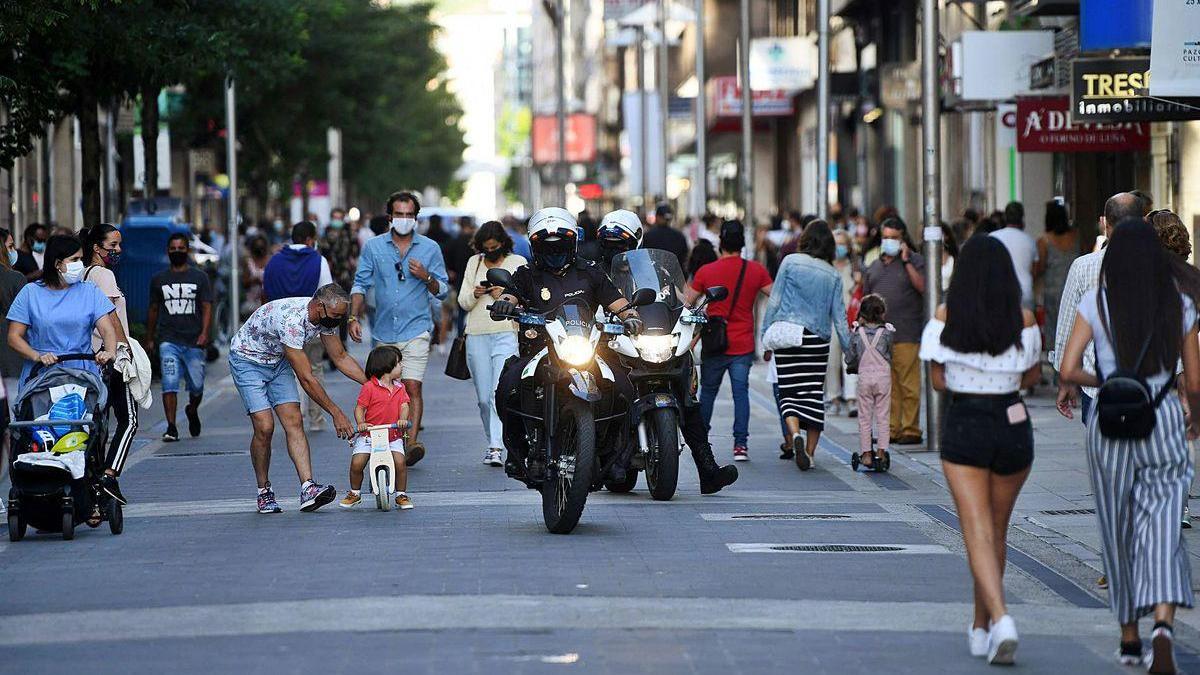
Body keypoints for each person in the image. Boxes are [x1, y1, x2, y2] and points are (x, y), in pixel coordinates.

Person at [1060, 219, 1200, 673]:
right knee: (1163, 529)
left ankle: (1128, 636)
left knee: (1117, 530)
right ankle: (1163, 626)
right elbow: (1194, 381)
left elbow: (1067, 369)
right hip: (1162, 421)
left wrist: (1105, 380)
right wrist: (1194, 418)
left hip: (1111, 423)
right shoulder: (1178, 303)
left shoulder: (1096, 302)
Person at [920, 235, 1042, 665]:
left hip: (967, 423)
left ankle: (1003, 617)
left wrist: (970, 376)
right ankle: (981, 624)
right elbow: (1030, 378)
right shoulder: (1024, 319)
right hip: (1013, 425)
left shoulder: (945, 315)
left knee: (976, 530)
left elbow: (937, 380)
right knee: (995, 531)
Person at [595, 209, 740, 493]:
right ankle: (603, 458)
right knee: (607, 393)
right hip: (613, 343)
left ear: (634, 241)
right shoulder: (594, 272)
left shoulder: (655, 268)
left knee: (688, 400)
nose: (615, 248)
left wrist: (691, 315)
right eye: (610, 243)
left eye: (621, 243)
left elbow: (679, 298)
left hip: (652, 340)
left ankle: (708, 470)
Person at [230, 284, 366, 513]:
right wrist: (336, 412)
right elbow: (306, 378)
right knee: (265, 426)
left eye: (341, 316)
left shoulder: (326, 318)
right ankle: (264, 491)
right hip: (248, 360)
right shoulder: (291, 321)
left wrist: (374, 384)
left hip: (276, 360)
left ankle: (308, 488)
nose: (338, 320)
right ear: (320, 306)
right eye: (336, 315)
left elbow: (340, 357)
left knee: (294, 421)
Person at [6, 235, 119, 510]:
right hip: (41, 376)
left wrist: (109, 351)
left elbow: (107, 328)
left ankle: (88, 495)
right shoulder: (31, 293)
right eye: (75, 260)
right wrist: (36, 355)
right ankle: (35, 491)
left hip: (81, 375)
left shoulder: (88, 291)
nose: (80, 265)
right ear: (58, 264)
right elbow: (15, 336)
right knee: (39, 435)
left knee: (85, 437)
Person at [349, 191, 449, 464]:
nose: (404, 219)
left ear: (415, 218)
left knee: (412, 387)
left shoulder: (430, 248)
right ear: (390, 216)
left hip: (416, 329)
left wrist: (425, 276)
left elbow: (442, 291)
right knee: (385, 390)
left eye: (409, 215)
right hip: (383, 332)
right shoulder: (373, 247)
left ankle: (410, 442)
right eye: (399, 214)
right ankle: (387, 439)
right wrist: (352, 317)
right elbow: (360, 284)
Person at [760, 220, 850, 470]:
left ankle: (794, 435)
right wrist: (851, 353)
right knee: (812, 395)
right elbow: (840, 318)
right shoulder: (833, 275)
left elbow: (775, 301)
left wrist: (766, 335)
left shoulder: (790, 262)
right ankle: (809, 453)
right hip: (816, 340)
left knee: (788, 392)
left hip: (787, 335)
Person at [1053, 192, 1146, 425]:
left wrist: (1065, 378)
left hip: (1097, 389)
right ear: (1143, 223)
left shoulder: (1083, 267)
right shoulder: (1161, 267)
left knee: (1104, 459)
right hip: (1151, 389)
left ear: (1105, 223)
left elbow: (1066, 327)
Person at [688, 220, 773, 461]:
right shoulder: (756, 270)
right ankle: (740, 445)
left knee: (708, 393)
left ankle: (700, 441)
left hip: (714, 343)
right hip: (743, 344)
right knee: (740, 393)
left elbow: (686, 303)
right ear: (742, 244)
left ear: (721, 243)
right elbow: (776, 296)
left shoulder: (707, 272)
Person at [81, 224, 142, 506]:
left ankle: (94, 486)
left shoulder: (82, 274)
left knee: (99, 424)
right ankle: (109, 474)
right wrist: (125, 350)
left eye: (119, 245)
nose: (117, 250)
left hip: (93, 356)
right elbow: (110, 318)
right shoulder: (103, 275)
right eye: (112, 245)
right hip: (112, 357)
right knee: (129, 420)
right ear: (96, 247)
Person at [457, 221, 526, 467]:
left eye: (495, 247)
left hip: (506, 331)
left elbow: (525, 299)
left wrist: (504, 296)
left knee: (499, 391)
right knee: (483, 397)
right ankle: (492, 439)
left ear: (503, 244)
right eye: (486, 248)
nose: (491, 252)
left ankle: (496, 446)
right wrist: (476, 293)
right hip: (476, 333)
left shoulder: (516, 262)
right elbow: (462, 302)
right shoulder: (474, 262)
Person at [263, 221, 336, 432]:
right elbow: (328, 293)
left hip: (280, 327)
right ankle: (316, 418)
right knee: (313, 369)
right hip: (310, 325)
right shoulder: (318, 261)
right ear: (310, 240)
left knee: (288, 370)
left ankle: (294, 416)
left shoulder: (273, 262)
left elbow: (265, 291)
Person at [862, 216, 925, 445]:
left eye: (894, 238)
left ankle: (910, 428)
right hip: (880, 338)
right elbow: (866, 300)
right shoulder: (873, 266)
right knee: (888, 387)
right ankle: (892, 428)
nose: (889, 242)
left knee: (908, 384)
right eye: (886, 237)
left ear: (903, 239)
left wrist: (907, 261)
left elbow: (923, 287)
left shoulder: (915, 261)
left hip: (907, 331)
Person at [145, 233, 213, 442]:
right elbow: (154, 309)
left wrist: (204, 333)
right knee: (170, 382)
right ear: (168, 251)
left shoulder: (200, 277)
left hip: (194, 341)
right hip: (168, 339)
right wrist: (149, 337)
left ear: (187, 250)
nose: (177, 252)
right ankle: (171, 427)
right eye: (173, 248)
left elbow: (207, 307)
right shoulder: (159, 279)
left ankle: (192, 410)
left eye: (181, 248)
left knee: (197, 386)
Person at [339, 346, 414, 510]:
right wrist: (361, 423)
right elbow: (360, 408)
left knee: (400, 462)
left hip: (392, 434)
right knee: (357, 463)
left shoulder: (400, 388)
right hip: (369, 435)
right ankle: (355, 492)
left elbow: (404, 405)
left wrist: (402, 419)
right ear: (386, 367)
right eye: (399, 363)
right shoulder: (369, 387)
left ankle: (401, 494)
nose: (402, 366)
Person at [844, 294, 894, 469]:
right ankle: (881, 453)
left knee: (865, 417)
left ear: (862, 314)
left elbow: (850, 357)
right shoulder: (887, 333)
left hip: (864, 378)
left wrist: (851, 366)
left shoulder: (857, 334)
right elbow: (890, 355)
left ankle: (866, 454)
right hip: (883, 379)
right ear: (882, 313)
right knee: (883, 416)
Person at [1036, 201, 1079, 353]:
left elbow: (1040, 267)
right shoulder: (1076, 236)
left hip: (1052, 291)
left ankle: (1054, 364)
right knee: (1073, 326)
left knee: (1053, 327)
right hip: (1074, 288)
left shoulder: (1044, 241)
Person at [826, 228, 860, 416]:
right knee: (832, 360)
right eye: (836, 243)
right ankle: (833, 397)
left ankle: (852, 398)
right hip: (831, 319)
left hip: (850, 319)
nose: (839, 248)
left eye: (842, 244)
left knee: (850, 359)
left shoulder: (854, 267)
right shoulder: (827, 266)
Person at [989, 202, 1039, 311]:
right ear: (1022, 218)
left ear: (1005, 217)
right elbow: (1034, 271)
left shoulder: (992, 238)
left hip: (998, 293)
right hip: (1025, 293)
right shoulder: (1030, 241)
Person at [0, 229, 28, 389]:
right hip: (12, 356)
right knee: (13, 409)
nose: (14, 251)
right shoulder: (15, 279)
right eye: (10, 246)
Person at [642, 203, 688, 271]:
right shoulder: (679, 236)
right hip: (675, 275)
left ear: (657, 217)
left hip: (653, 275)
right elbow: (683, 257)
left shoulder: (648, 236)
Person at [242, 235, 270, 317]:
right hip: (251, 301)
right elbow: (244, 282)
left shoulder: (270, 260)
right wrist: (254, 281)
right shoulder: (249, 262)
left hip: (267, 300)